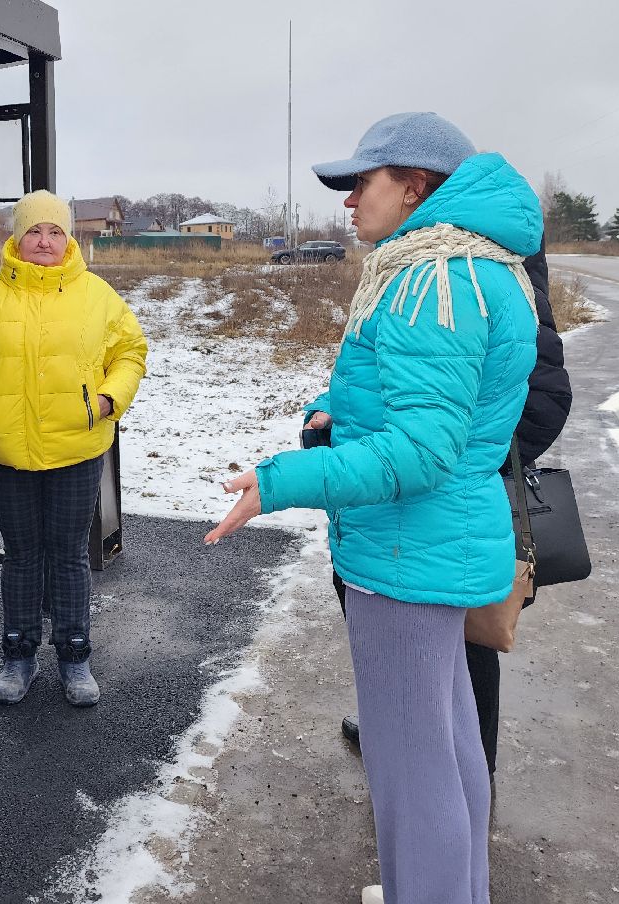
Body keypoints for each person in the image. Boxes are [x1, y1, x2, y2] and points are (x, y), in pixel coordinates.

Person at [207, 112, 542, 904]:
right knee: (449, 746)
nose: (349, 201)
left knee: (409, 769)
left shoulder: (435, 281)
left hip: (404, 553)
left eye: (363, 181)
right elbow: (424, 407)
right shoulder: (473, 267)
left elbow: (423, 452)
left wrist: (281, 480)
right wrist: (336, 410)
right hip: (434, 546)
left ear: (417, 186)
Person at [339, 237, 573, 773]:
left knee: (467, 640)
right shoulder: (424, 260)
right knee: (426, 649)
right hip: (417, 493)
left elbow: (544, 392)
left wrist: (471, 463)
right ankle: (410, 741)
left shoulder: (470, 266)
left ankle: (468, 764)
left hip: (446, 499)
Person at [0, 190, 146, 707]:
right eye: (34, 230)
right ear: (16, 235)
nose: (45, 241)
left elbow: (131, 351)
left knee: (71, 555)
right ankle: (19, 652)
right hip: (10, 452)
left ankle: (75, 656)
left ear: (69, 236)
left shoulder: (97, 296)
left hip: (77, 448)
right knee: (22, 556)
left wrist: (105, 400)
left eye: (56, 231)